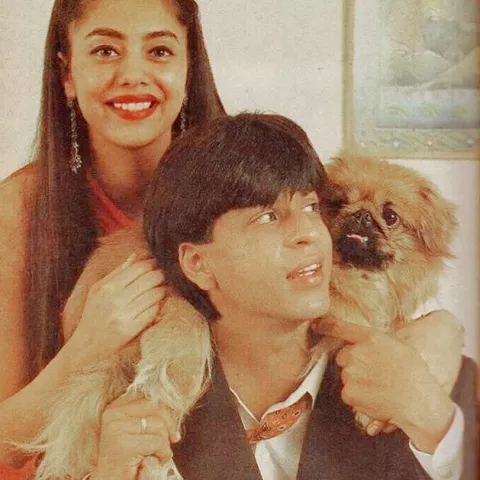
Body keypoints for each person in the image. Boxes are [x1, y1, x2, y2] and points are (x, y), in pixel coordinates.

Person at [85, 113, 477, 479]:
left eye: (311, 207)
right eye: (268, 217)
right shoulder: (136, 397)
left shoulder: (429, 377)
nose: (307, 233)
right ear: (198, 263)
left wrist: (436, 422)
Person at [0, 0, 224, 474]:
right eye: (105, 51)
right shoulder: (19, 210)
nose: (133, 75)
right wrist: (89, 345)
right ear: (67, 74)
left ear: (189, 70)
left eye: (159, 51)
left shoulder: (245, 194)